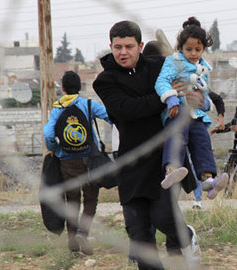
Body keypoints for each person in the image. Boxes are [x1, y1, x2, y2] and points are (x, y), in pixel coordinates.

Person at [93, 20, 199, 269]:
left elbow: (187, 84)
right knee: (138, 232)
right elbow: (126, 110)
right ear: (111, 46)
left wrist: (182, 95)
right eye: (118, 47)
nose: (123, 52)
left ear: (140, 46)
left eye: (129, 46)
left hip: (164, 160)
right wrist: (164, 97)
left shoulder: (160, 67)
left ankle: (188, 235)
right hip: (130, 162)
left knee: (163, 218)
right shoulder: (104, 81)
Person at [155, 16, 228, 199]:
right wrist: (171, 99)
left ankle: (207, 179)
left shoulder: (204, 68)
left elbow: (204, 93)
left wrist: (203, 103)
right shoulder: (173, 62)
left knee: (203, 142)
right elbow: (162, 81)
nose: (194, 53)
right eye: (189, 49)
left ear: (204, 48)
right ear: (181, 48)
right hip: (177, 110)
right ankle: (171, 170)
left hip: (195, 114)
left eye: (198, 49)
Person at [43, 71, 111, 255]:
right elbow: (110, 116)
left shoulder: (57, 108)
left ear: (63, 88)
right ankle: (83, 233)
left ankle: (73, 245)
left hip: (67, 162)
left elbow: (49, 134)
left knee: (71, 201)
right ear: (80, 87)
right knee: (91, 199)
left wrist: (54, 148)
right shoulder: (88, 104)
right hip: (90, 160)